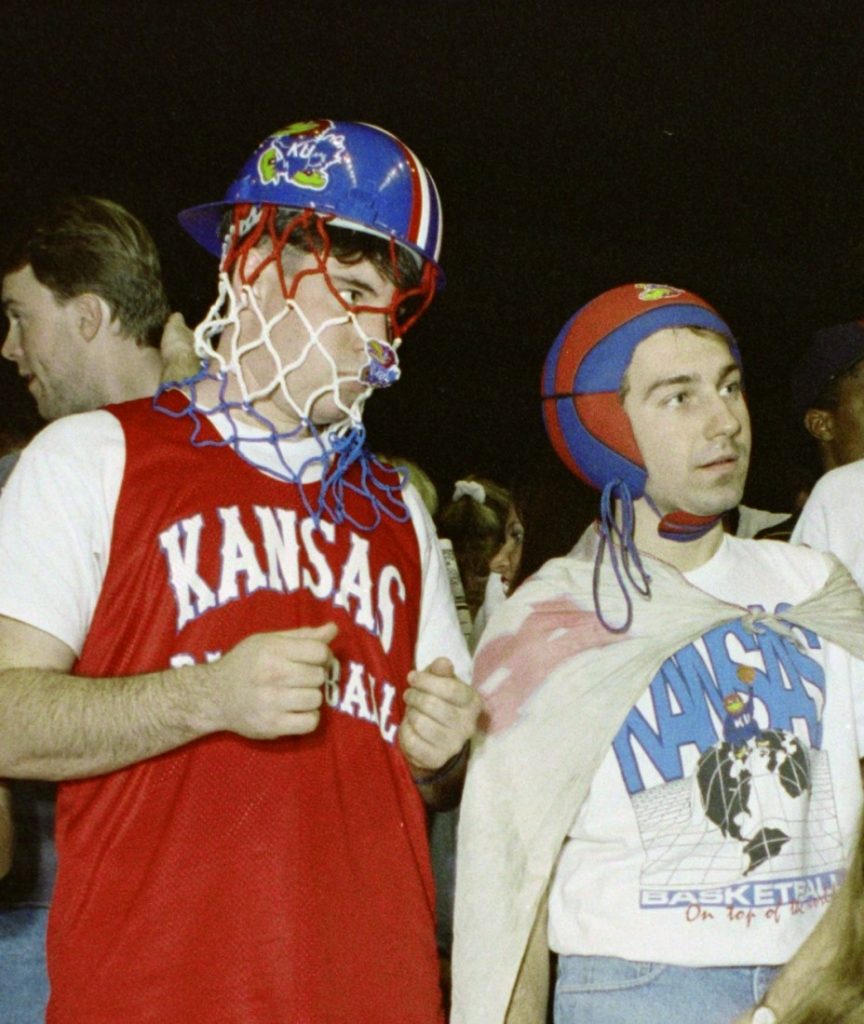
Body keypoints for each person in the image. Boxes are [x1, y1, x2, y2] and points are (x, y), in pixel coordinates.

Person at [0, 120, 479, 1024]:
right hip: (159, 992)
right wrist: (208, 696)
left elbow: (421, 781)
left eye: (388, 306)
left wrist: (438, 752)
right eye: (348, 290)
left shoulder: (398, 509)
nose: (373, 335)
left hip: (376, 994)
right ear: (253, 263)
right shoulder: (91, 456)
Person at [450, 283, 864, 1024]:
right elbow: (512, 885)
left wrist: (821, 976)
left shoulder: (814, 588)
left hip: (825, 983)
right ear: (604, 427)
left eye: (730, 387)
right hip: (638, 992)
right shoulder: (553, 618)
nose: (725, 421)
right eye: (679, 397)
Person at [0, 194, 201, 1024]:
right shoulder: (22, 482)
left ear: (88, 316)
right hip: (47, 901)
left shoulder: (247, 462)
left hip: (197, 897)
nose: (9, 349)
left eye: (20, 318)